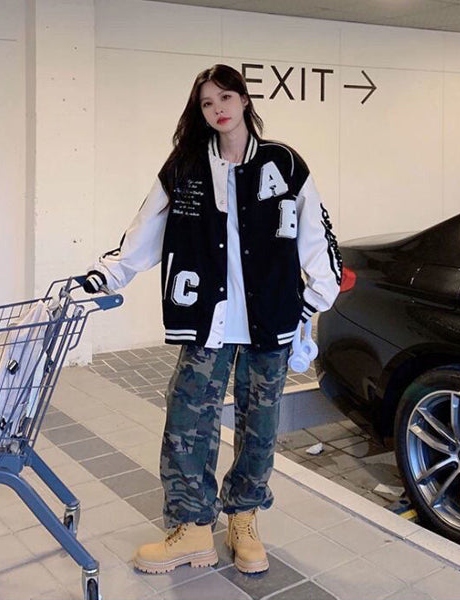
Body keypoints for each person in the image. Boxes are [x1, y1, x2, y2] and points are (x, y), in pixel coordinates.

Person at [84, 64, 342, 575]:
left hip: (270, 321)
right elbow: (145, 230)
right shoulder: (185, 167)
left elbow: (316, 237)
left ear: (244, 100)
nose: (218, 109)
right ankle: (194, 528)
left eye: (225, 97)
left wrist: (312, 301)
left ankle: (243, 520)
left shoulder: (284, 164)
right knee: (187, 420)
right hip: (208, 319)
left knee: (259, 426)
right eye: (207, 103)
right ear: (199, 112)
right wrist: (107, 274)